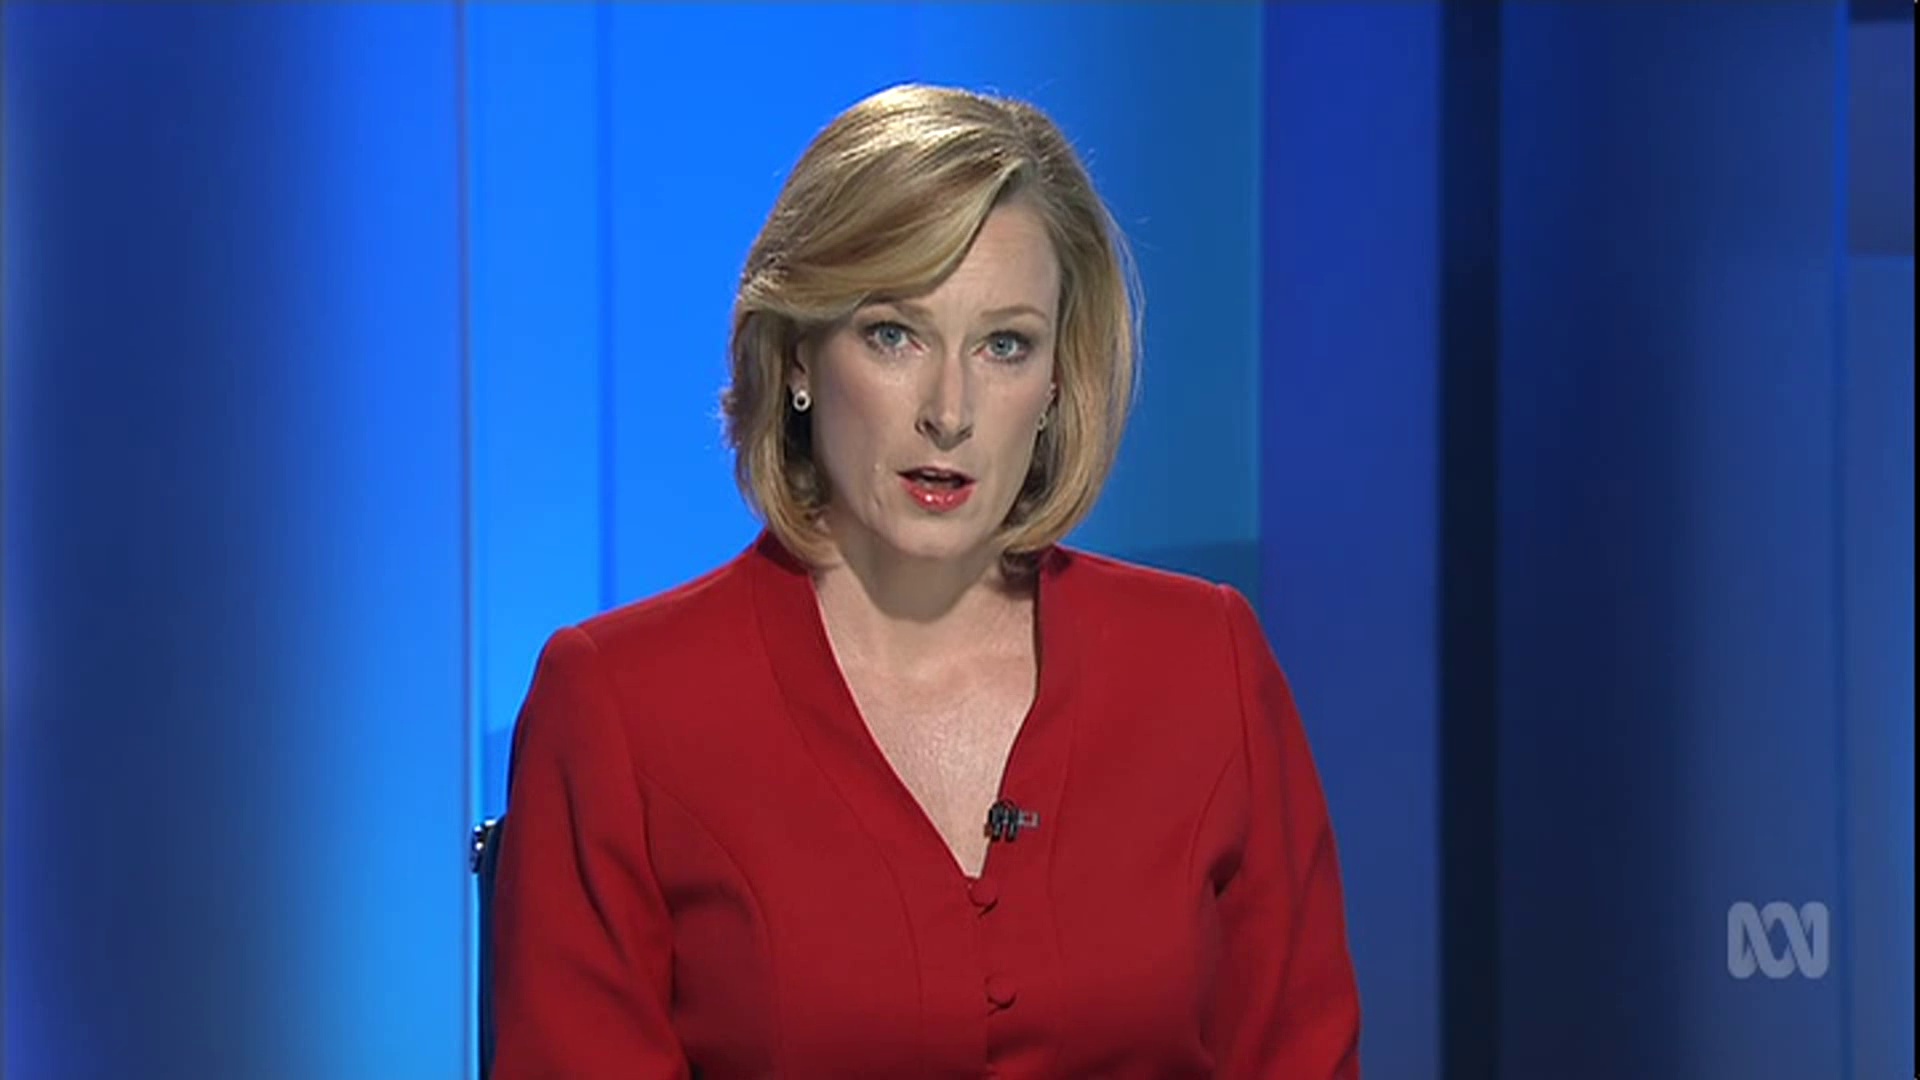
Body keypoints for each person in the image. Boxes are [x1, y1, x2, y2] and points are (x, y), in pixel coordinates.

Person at [489, 82, 1361, 1079]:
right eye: (893, 334)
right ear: (800, 355)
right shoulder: (623, 705)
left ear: (1056, 383)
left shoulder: (1203, 664)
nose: (950, 410)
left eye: (1004, 345)